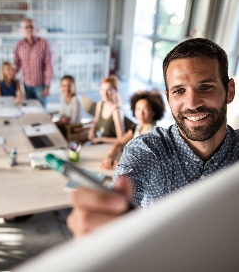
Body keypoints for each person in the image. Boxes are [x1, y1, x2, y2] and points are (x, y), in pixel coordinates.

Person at [68, 38, 239, 237]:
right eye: (179, 91)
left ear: (230, 91)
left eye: (206, 87)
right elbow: (123, 189)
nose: (192, 103)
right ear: (168, 98)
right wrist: (107, 215)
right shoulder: (145, 150)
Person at [100, 90, 165, 169]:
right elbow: (119, 143)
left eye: (146, 109)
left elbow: (151, 163)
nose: (141, 113)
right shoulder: (136, 127)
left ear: (154, 112)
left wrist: (120, 166)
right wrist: (109, 157)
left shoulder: (157, 133)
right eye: (138, 109)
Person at [14, 18, 53, 107]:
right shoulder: (19, 44)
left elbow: (48, 65)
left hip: (41, 85)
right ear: (22, 29)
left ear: (35, 28)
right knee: (29, 110)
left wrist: (47, 85)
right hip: (26, 85)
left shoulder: (44, 43)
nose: (29, 29)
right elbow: (16, 64)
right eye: (26, 27)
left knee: (41, 111)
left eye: (31, 27)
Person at [87, 75, 125, 144]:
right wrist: (91, 131)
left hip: (110, 146)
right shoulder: (100, 104)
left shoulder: (116, 111)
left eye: (109, 90)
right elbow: (95, 121)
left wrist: (101, 139)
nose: (105, 93)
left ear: (115, 91)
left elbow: (121, 139)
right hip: (98, 142)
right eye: (102, 89)